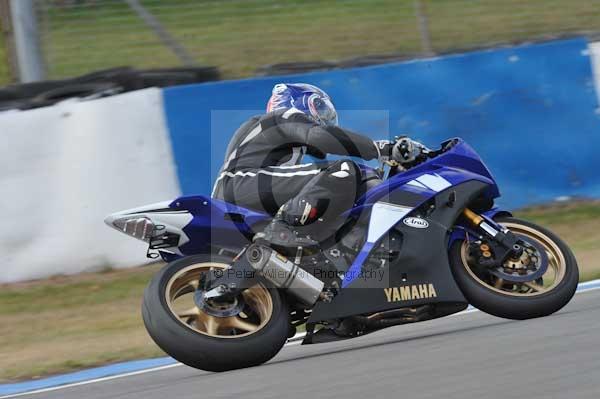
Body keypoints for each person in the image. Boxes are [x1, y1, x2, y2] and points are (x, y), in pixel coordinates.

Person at [212, 83, 427, 249]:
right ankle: (283, 231)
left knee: (325, 189)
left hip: (234, 195)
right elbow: (320, 136)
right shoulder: (282, 116)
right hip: (243, 184)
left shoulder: (263, 133)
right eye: (320, 109)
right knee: (346, 170)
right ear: (299, 103)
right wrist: (379, 149)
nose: (322, 118)